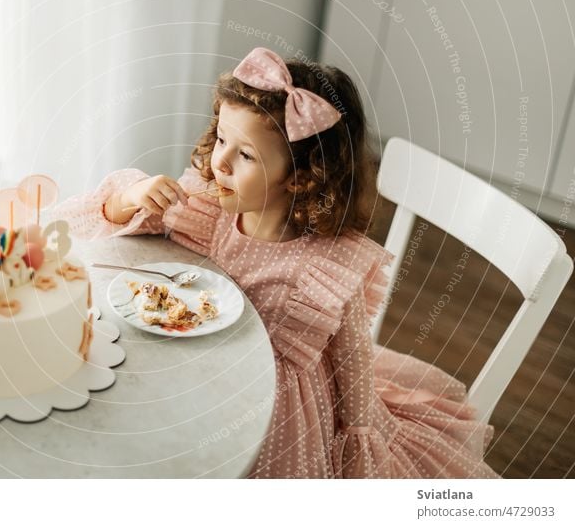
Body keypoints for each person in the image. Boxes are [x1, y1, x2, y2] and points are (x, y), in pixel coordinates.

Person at [56, 47, 499, 478]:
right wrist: (129, 197)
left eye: (245, 155)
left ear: (300, 177)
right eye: (222, 139)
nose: (221, 162)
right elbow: (124, 221)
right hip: (195, 362)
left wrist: (360, 442)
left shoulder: (323, 267)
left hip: (274, 404)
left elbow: (351, 361)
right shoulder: (209, 209)